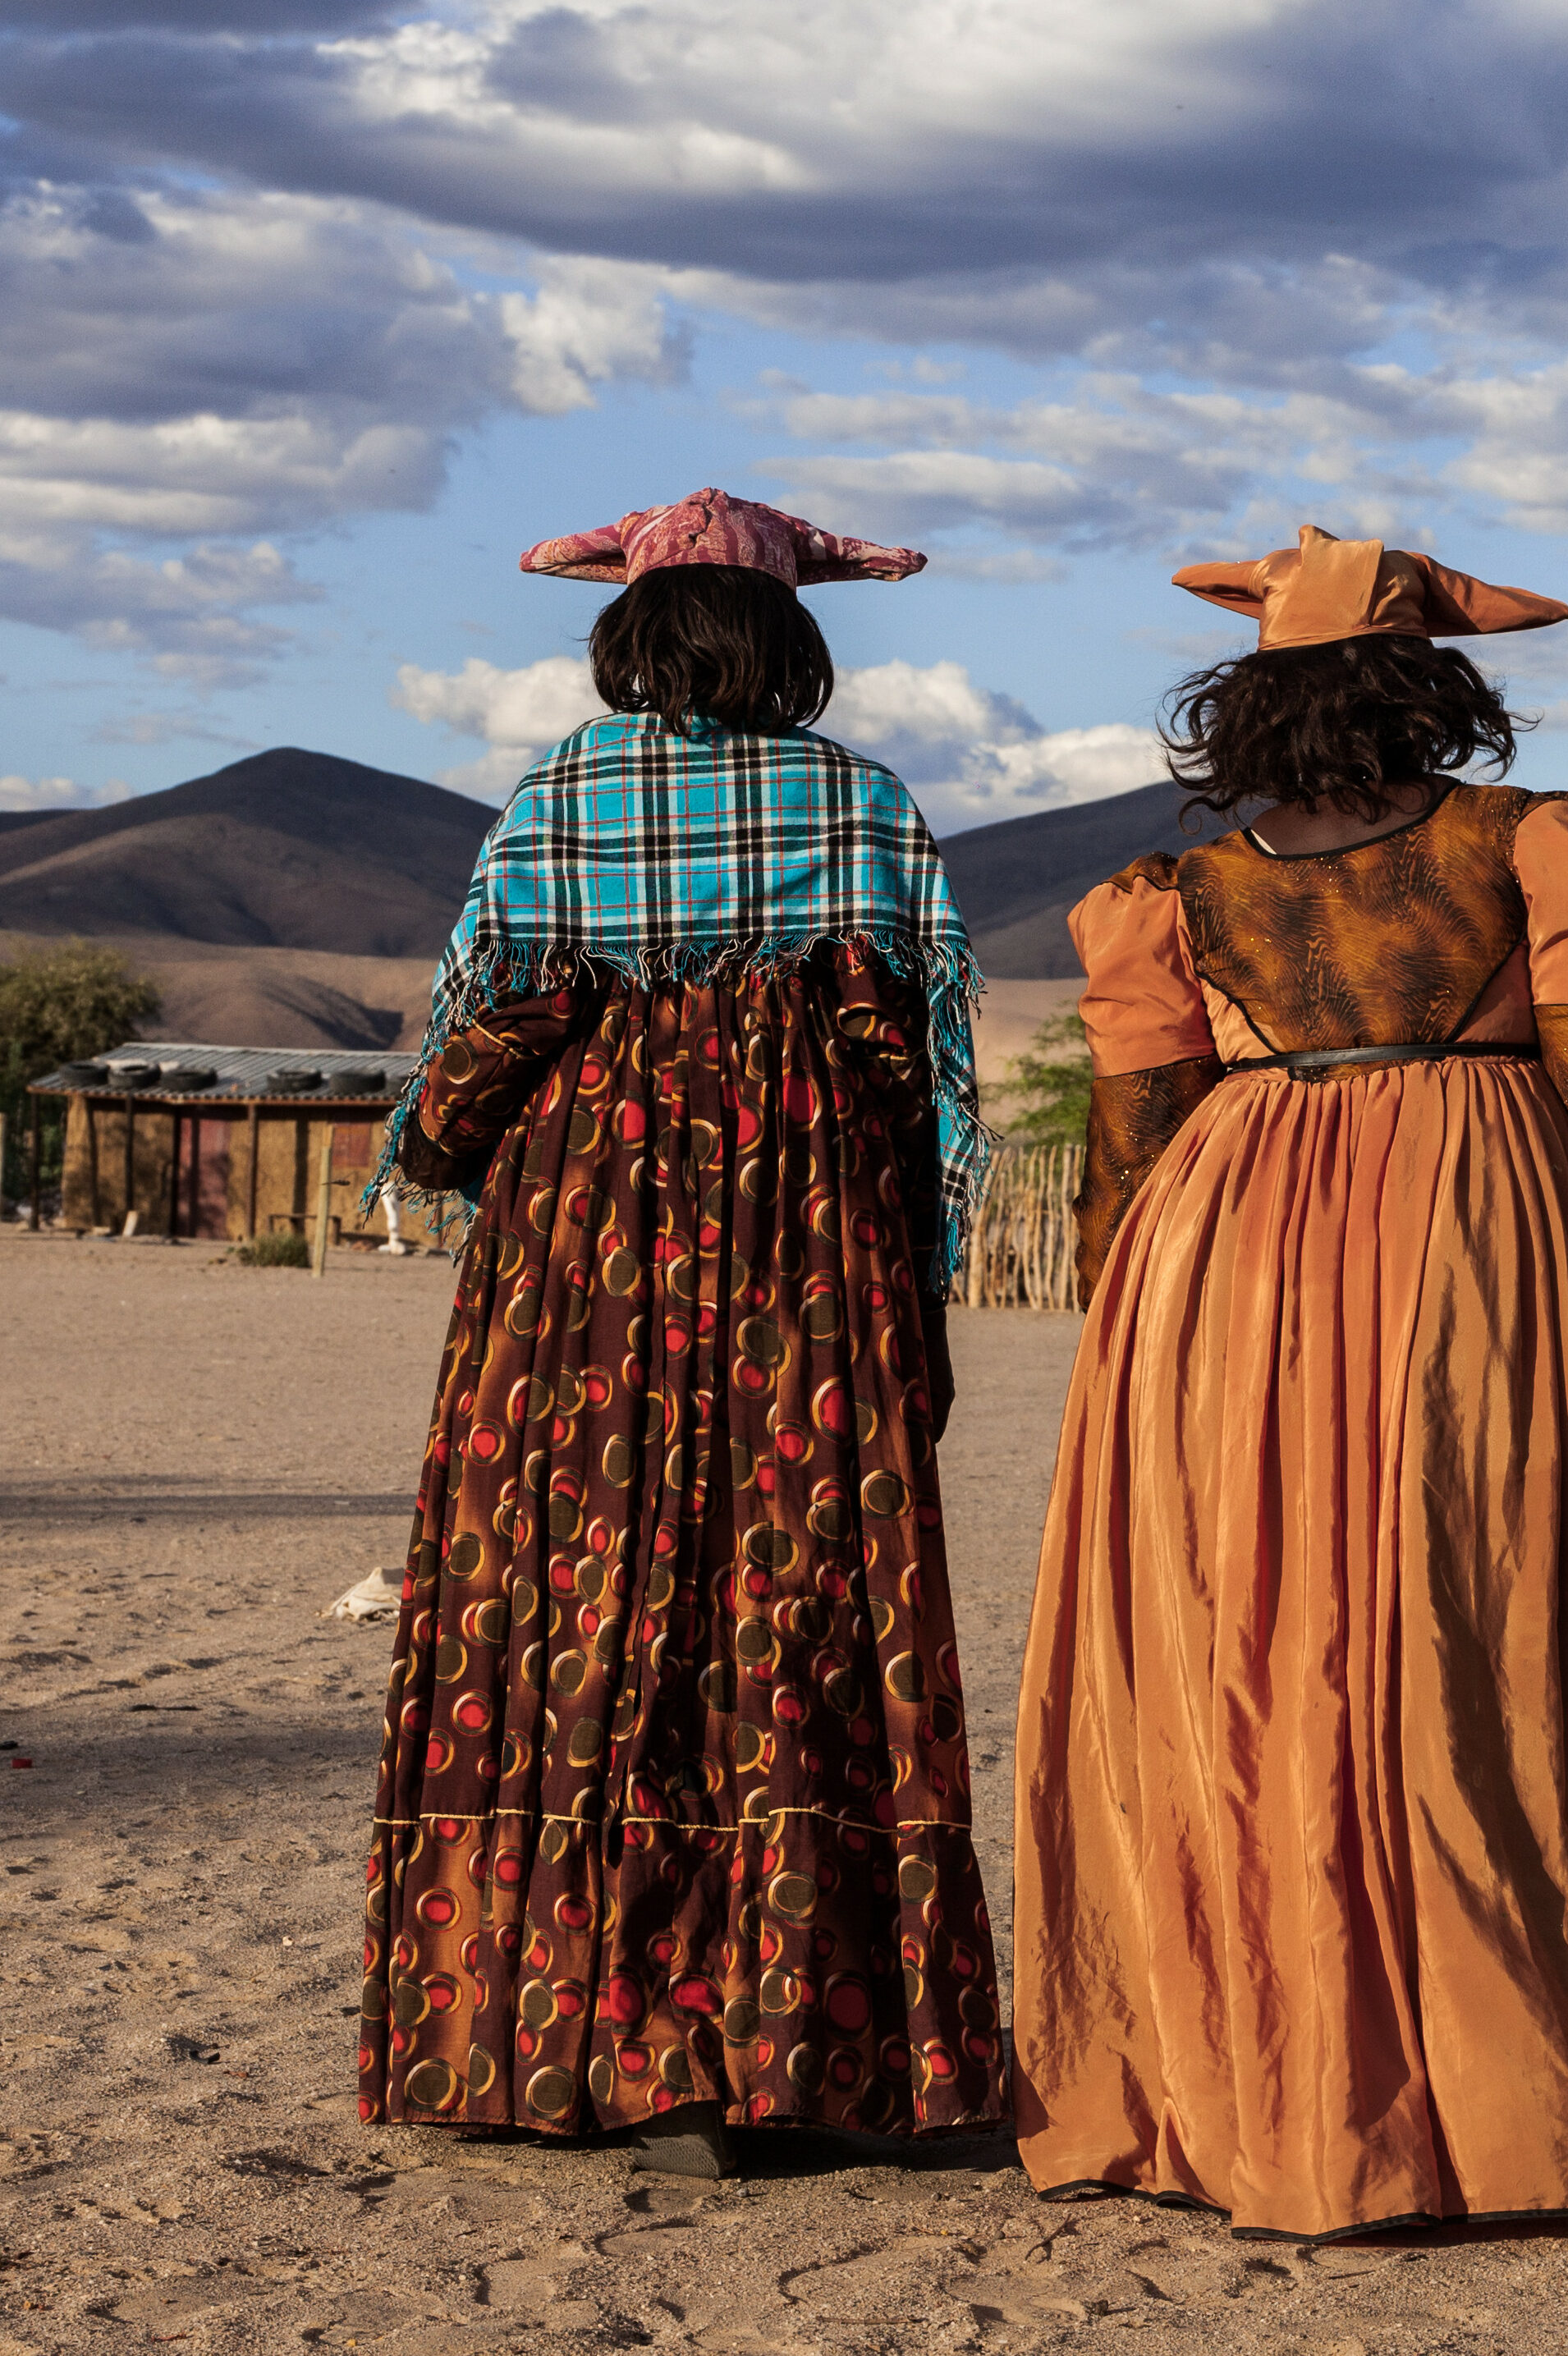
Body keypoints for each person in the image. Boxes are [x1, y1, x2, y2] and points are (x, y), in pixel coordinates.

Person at [1016, 525, 1568, 2241]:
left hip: (1224, 1259)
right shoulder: (1532, 848)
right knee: (1497, 1627)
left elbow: (1131, 1134)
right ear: (1431, 685)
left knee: (1262, 1633)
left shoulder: (1173, 895)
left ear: (1251, 705)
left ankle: (1267, 2084)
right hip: (1481, 1232)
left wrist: (1117, 1337)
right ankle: (1535, 2089)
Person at [355, 488, 1003, 2175]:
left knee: (575, 1592)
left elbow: (448, 1104)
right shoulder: (861, 810)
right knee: (790, 1603)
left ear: (624, 638)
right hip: (807, 1273)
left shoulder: (551, 807)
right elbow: (920, 1087)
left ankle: (555, 2038)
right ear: (793, 642)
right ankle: (795, 2039)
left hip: (578, 1272)